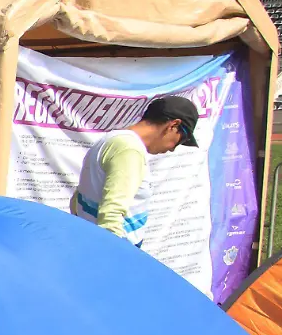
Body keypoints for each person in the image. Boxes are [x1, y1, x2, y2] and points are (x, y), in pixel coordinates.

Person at [71, 95, 198, 244]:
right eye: (181, 140)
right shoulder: (129, 149)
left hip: (90, 242)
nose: (172, 149)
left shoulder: (113, 139)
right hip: (113, 251)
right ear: (173, 125)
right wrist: (110, 256)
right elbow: (112, 214)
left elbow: (77, 200)